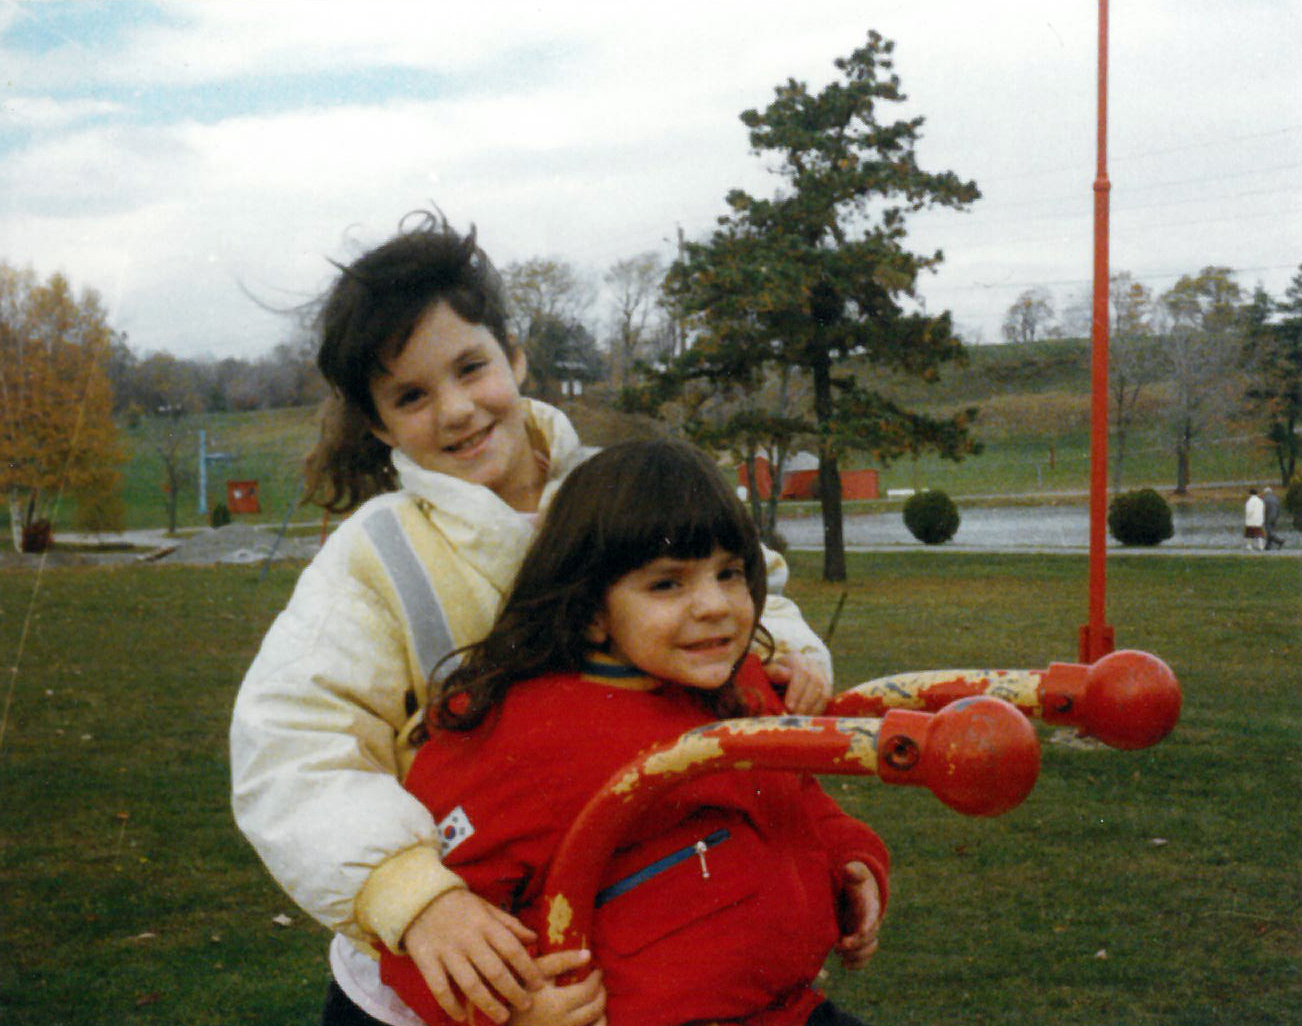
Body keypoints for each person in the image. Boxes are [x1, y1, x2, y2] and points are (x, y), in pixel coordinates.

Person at [229, 212, 837, 1026]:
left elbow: (737, 585)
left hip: (611, 963)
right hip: (447, 973)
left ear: (516, 358)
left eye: (471, 367)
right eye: (411, 395)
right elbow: (292, 752)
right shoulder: (375, 557)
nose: (455, 410)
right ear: (376, 426)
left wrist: (790, 651)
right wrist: (414, 898)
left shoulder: (614, 487)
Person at [380, 439, 889, 1026]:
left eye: (729, 574)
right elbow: (438, 928)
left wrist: (854, 860)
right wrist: (512, 1013)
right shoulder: (525, 737)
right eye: (668, 584)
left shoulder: (743, 686)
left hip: (794, 1009)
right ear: (591, 606)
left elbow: (796, 799)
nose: (716, 606)